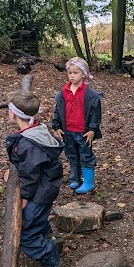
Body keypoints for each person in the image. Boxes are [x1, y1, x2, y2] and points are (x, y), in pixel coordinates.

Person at [5, 89, 64, 267]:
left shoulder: (28, 143)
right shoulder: (36, 130)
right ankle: (47, 238)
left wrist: (24, 198)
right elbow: (29, 166)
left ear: (13, 113)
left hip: (38, 193)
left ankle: (52, 260)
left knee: (26, 233)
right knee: (37, 218)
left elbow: (30, 175)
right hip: (46, 188)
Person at [52, 57, 102, 195]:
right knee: (72, 155)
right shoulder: (63, 93)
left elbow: (95, 114)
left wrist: (92, 129)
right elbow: (58, 110)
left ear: (83, 74)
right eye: (70, 73)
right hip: (68, 131)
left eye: (76, 73)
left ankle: (88, 182)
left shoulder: (90, 95)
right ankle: (75, 177)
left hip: (83, 132)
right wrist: (56, 126)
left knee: (86, 155)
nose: (72, 76)